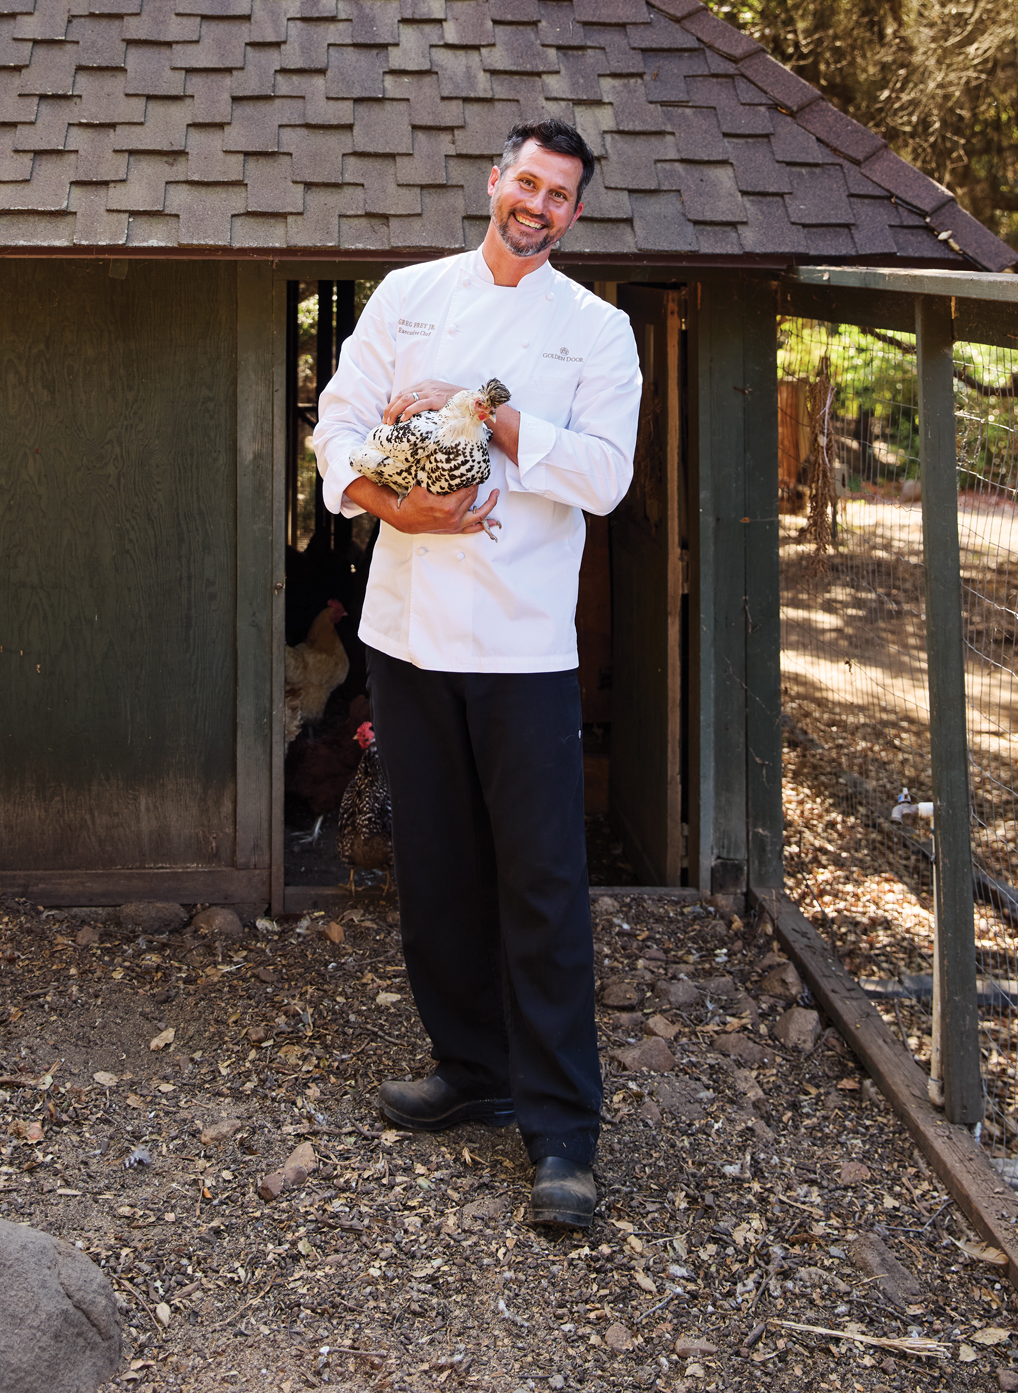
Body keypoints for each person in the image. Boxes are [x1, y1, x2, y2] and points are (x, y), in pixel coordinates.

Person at [313, 119, 642, 1230]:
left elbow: (602, 477)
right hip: (406, 631)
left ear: (575, 215)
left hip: (522, 646)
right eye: (528, 183)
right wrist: (391, 502)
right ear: (494, 182)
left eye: (561, 196)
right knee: (436, 866)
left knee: (541, 884)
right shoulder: (406, 294)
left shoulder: (597, 332)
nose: (539, 205)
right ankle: (470, 1067)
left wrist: (495, 416)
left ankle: (562, 1133)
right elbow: (336, 426)